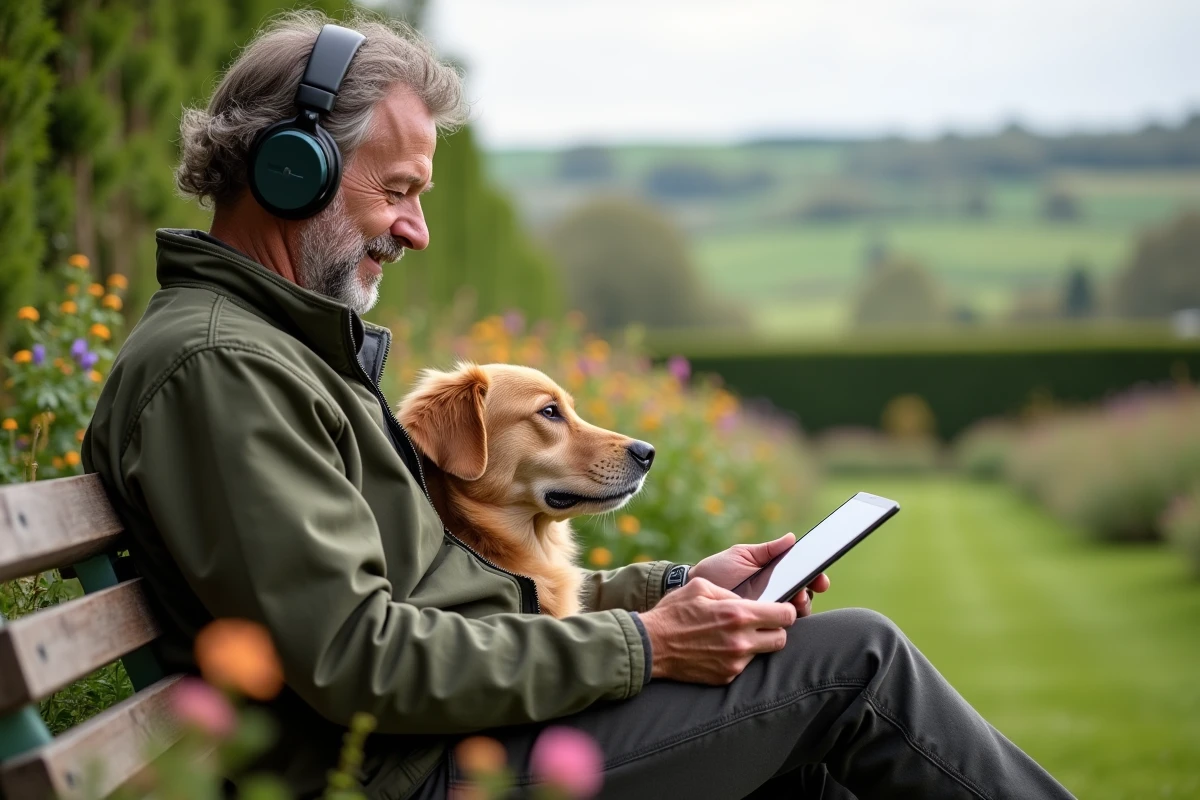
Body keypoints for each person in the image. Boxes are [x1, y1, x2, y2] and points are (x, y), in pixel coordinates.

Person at [82, 11, 1075, 800]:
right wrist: (647, 644)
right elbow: (360, 654)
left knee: (796, 713)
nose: (418, 230)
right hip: (408, 774)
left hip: (445, 746)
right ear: (289, 169)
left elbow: (442, 600)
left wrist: (663, 590)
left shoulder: (278, 354)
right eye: (399, 189)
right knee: (853, 662)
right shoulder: (221, 367)